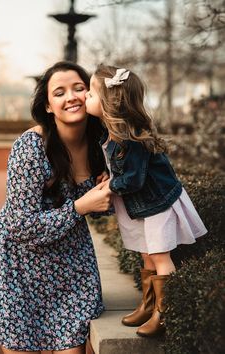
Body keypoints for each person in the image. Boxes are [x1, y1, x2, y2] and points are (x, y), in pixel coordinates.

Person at [0, 61, 112, 354]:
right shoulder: (31, 148)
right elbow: (20, 226)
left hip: (71, 269)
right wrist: (80, 206)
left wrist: (108, 191)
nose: (71, 97)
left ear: (92, 94)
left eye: (79, 88)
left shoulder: (104, 145)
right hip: (17, 269)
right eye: (59, 92)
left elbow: (105, 207)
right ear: (47, 106)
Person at [85, 64, 207, 337]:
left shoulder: (131, 137)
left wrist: (109, 187)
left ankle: (165, 314)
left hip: (156, 205)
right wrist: (109, 174)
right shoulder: (111, 133)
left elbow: (133, 180)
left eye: (90, 94)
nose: (85, 98)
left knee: (160, 256)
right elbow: (122, 169)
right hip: (140, 206)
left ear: (108, 103)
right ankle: (149, 304)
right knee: (146, 254)